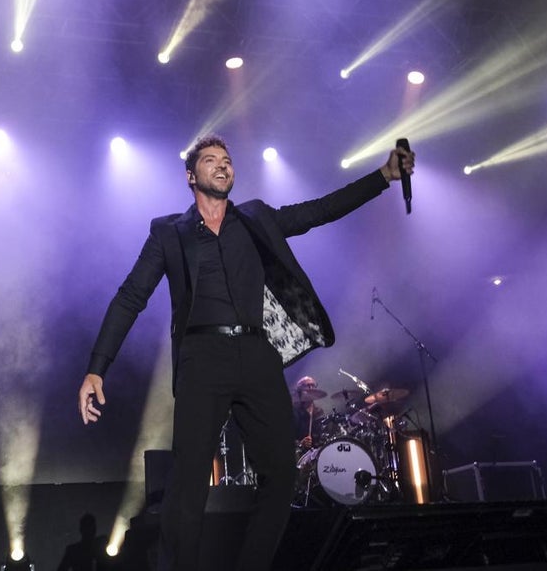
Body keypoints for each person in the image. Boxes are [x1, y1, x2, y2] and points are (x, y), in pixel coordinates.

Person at [77, 134, 414, 570]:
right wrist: (96, 368)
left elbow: (319, 211)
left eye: (227, 160)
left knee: (283, 474)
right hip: (202, 357)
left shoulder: (255, 219)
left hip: (257, 355)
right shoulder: (169, 233)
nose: (222, 166)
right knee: (189, 483)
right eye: (211, 160)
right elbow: (130, 296)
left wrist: (383, 176)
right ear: (190, 177)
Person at [292, 376, 324, 452]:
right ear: (299, 390)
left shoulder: (319, 411)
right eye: (308, 385)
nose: (311, 388)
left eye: (313, 385)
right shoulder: (293, 411)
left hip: (317, 452)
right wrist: (300, 443)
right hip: (299, 454)